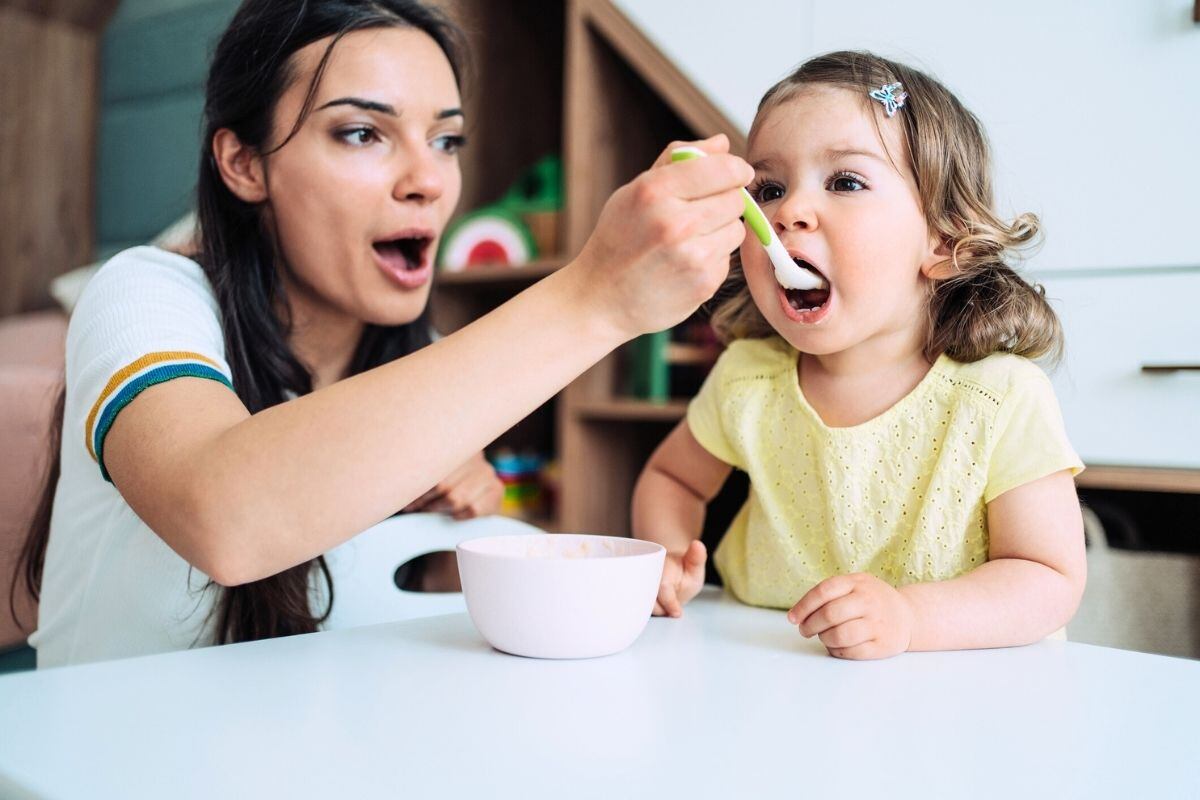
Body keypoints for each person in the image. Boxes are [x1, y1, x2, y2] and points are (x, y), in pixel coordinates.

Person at [15, 0, 753, 667]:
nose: (428, 180)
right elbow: (226, 518)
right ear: (243, 163)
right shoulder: (144, 295)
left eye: (447, 140)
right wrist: (594, 297)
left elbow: (387, 587)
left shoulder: (417, 361)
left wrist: (581, 581)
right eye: (364, 132)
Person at [632, 51, 1086, 660]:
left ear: (945, 240)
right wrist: (663, 557)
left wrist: (909, 619)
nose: (788, 212)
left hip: (960, 704)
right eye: (768, 189)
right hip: (767, 675)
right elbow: (670, 479)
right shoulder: (747, 380)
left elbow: (1048, 578)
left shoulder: (1000, 398)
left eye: (845, 182)